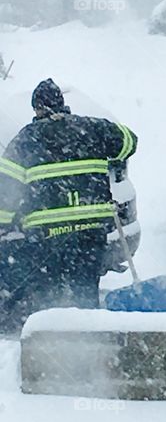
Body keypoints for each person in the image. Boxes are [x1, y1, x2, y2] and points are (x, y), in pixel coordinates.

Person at [0, 79, 138, 328]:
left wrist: (4, 223)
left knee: (49, 296)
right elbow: (130, 141)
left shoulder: (25, 140)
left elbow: (5, 192)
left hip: (47, 237)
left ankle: (55, 345)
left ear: (37, 108)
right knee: (84, 291)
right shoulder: (91, 129)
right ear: (63, 104)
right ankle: (90, 341)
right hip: (90, 232)